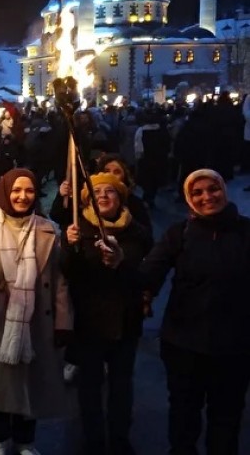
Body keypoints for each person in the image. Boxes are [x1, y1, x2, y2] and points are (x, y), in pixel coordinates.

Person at [0, 168, 74, 455]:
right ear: (4, 192)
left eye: (30, 191)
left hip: (36, 322)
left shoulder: (48, 230)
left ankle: (25, 441)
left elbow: (59, 280)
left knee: (29, 386)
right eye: (16, 191)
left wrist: (63, 322)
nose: (23, 197)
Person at [139, 169, 250, 455]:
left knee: (226, 420)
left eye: (212, 189)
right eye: (197, 192)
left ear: (223, 190)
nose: (206, 197)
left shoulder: (246, 232)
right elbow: (151, 271)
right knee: (183, 418)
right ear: (189, 198)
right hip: (184, 345)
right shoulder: (179, 234)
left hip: (234, 347)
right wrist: (138, 286)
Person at [62, 173, 153, 455]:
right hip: (89, 323)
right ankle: (93, 439)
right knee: (89, 387)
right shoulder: (79, 229)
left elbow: (145, 276)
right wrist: (68, 247)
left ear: (120, 198)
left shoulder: (137, 233)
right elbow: (67, 274)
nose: (103, 195)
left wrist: (120, 263)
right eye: (96, 191)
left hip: (126, 322)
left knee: (121, 386)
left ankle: (120, 438)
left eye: (109, 191)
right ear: (88, 198)